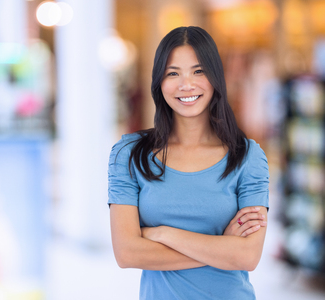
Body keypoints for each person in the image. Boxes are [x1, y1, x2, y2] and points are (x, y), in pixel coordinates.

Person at [108, 26, 269, 299]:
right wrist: (222, 248)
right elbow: (126, 253)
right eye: (173, 73)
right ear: (159, 81)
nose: (186, 85)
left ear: (215, 77)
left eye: (198, 71)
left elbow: (247, 256)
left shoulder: (248, 156)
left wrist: (162, 234)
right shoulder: (128, 154)